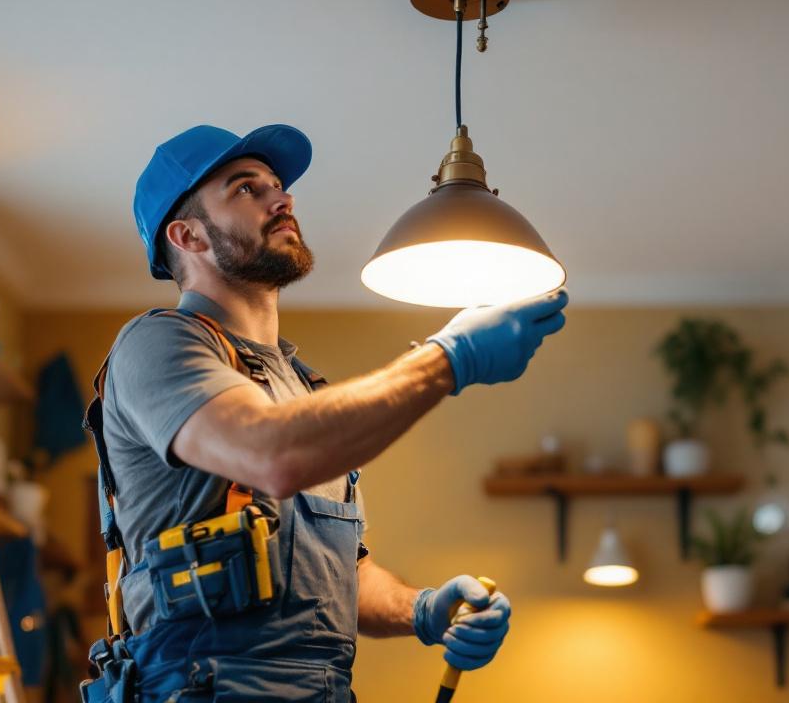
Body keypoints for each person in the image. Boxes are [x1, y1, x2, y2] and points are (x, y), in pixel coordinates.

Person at [86, 123, 568, 702]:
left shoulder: (305, 391)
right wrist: (448, 358)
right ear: (187, 236)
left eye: (277, 185)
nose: (282, 198)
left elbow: (344, 574)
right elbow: (271, 454)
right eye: (246, 188)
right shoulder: (157, 343)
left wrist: (423, 609)